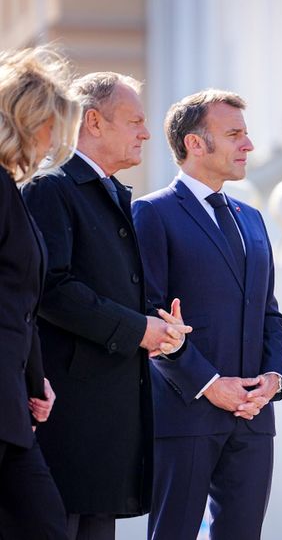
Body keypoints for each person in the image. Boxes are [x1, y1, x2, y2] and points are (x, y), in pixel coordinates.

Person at [21, 72, 191, 540]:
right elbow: (52, 288)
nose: (146, 132)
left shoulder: (111, 192)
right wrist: (137, 330)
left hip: (105, 421)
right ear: (93, 122)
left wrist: (159, 326)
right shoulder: (51, 189)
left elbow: (110, 288)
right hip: (69, 419)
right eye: (135, 120)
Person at [132, 89, 282, 540]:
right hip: (185, 414)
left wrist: (273, 379)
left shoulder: (253, 218)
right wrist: (209, 384)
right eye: (234, 134)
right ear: (195, 144)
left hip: (254, 415)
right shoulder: (151, 213)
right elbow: (150, 316)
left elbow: (270, 313)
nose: (249, 145)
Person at [0, 45, 80, 539]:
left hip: (11, 403)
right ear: (29, 121)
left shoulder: (11, 191)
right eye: (52, 127)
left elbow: (19, 301)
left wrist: (34, 381)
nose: (54, 144)